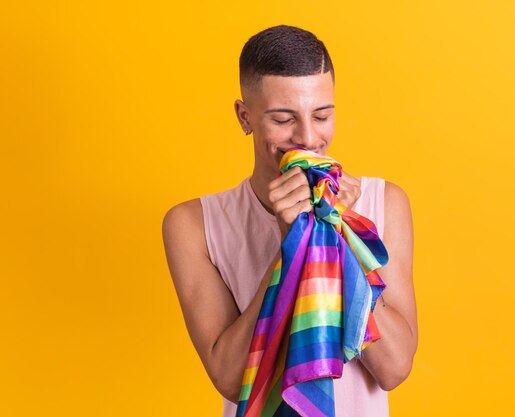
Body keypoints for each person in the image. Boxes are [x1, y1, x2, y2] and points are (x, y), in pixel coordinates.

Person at [162, 24, 418, 417]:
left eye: (321, 115)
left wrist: (337, 235)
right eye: (283, 119)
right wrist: (293, 246)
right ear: (244, 117)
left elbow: (395, 368)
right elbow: (231, 378)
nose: (308, 138)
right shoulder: (192, 224)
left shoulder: (384, 203)